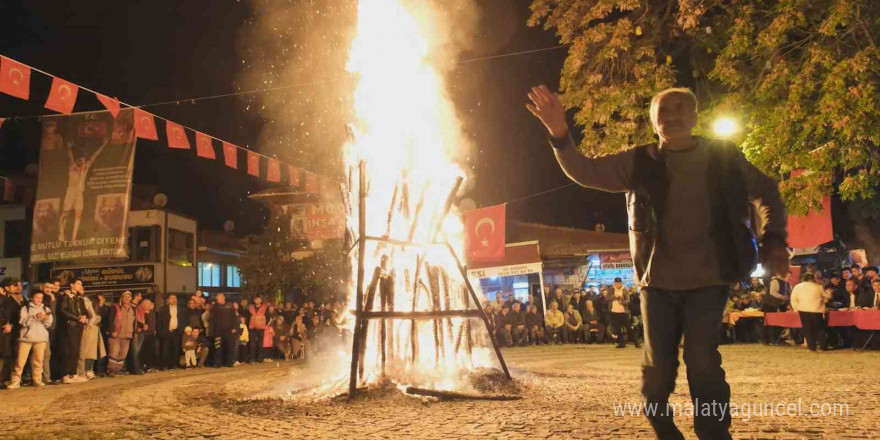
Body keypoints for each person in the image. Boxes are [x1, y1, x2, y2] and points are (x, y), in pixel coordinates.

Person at [528, 85, 788, 440]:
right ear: (654, 122)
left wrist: (773, 239)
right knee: (656, 375)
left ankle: (713, 432)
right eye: (663, 111)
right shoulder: (639, 162)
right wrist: (559, 133)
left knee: (703, 362)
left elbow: (768, 191)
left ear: (696, 117)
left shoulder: (724, 157)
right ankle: (664, 429)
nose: (672, 115)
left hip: (709, 280)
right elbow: (584, 171)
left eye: (681, 108)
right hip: (657, 285)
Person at [59, 138, 108, 241]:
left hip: (80, 193)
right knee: (65, 214)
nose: (82, 162)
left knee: (78, 216)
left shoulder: (85, 168)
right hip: (71, 192)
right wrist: (69, 148)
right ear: (77, 161)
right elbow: (70, 156)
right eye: (80, 160)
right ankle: (61, 235)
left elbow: (95, 156)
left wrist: (103, 145)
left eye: (83, 160)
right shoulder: (73, 167)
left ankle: (73, 238)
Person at [6, 291, 53, 389]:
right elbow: (22, 322)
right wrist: (34, 317)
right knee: (20, 361)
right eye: (37, 297)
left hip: (41, 338)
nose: (39, 300)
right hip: (26, 338)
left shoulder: (46, 309)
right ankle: (15, 380)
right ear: (32, 298)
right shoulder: (25, 308)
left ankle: (37, 380)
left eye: (41, 298)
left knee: (38, 360)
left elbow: (49, 324)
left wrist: (45, 318)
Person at [57, 279, 88, 383]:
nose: (80, 286)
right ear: (71, 285)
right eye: (78, 284)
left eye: (81, 284)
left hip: (78, 326)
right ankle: (65, 374)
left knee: (75, 350)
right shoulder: (66, 297)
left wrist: (84, 317)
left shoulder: (79, 298)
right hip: (69, 326)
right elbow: (63, 310)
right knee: (68, 350)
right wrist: (77, 318)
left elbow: (84, 310)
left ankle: (73, 373)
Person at [790, 273, 830, 351]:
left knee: (808, 329)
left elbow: (793, 298)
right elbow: (826, 296)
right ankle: (823, 346)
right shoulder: (818, 287)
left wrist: (796, 308)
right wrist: (829, 293)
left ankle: (812, 347)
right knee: (820, 329)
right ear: (813, 279)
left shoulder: (797, 287)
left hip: (803, 310)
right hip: (817, 310)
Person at [0, 277, 25, 385]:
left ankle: (5, 378)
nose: (16, 287)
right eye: (13, 285)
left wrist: (11, 324)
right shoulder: (3, 298)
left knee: (8, 354)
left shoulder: (10, 299)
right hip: (3, 330)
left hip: (10, 331)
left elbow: (15, 315)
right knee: (3, 354)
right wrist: (5, 324)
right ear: (6, 287)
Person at [105, 291, 136, 376]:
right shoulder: (115, 307)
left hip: (127, 335)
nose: (127, 298)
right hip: (116, 334)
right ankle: (111, 369)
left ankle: (119, 369)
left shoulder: (132, 309)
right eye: (125, 297)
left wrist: (134, 333)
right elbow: (110, 320)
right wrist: (112, 331)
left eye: (129, 297)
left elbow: (134, 322)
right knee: (114, 352)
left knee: (123, 353)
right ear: (121, 298)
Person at [77, 293, 105, 379]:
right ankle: (86, 370)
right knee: (87, 352)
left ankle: (89, 369)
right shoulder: (86, 306)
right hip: (88, 330)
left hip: (92, 330)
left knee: (91, 352)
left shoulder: (96, 310)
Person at [607, 278, 638, 348]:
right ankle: (621, 343)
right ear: (614, 283)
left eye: (619, 284)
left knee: (628, 327)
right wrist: (614, 296)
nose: (618, 285)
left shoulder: (625, 289)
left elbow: (628, 300)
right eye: (616, 284)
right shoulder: (611, 289)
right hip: (614, 311)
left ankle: (636, 342)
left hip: (623, 312)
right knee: (617, 328)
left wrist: (622, 302)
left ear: (621, 283)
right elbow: (607, 298)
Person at [209, 294, 238, 367]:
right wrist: (212, 331)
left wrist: (235, 327)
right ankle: (217, 363)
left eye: (219, 299)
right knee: (218, 348)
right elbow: (212, 319)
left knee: (230, 347)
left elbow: (234, 318)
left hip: (229, 330)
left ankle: (229, 363)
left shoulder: (230, 306)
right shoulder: (214, 307)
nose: (218, 300)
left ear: (223, 298)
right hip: (218, 331)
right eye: (217, 299)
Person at [157, 294, 182, 370]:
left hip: (176, 332)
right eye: (172, 298)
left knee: (175, 349)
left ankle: (173, 365)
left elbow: (183, 320)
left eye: (175, 298)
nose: (174, 300)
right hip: (166, 332)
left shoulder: (181, 309)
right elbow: (159, 322)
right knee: (165, 350)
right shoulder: (163, 309)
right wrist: (161, 332)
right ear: (168, 300)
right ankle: (164, 365)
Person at [248, 297, 269, 363]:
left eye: (259, 299)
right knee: (252, 344)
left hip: (261, 328)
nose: (257, 300)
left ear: (261, 300)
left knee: (260, 344)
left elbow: (268, 317)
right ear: (254, 300)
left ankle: (259, 358)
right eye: (256, 299)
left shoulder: (265, 307)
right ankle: (252, 359)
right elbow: (248, 316)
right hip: (252, 328)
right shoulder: (250, 307)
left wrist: (263, 324)